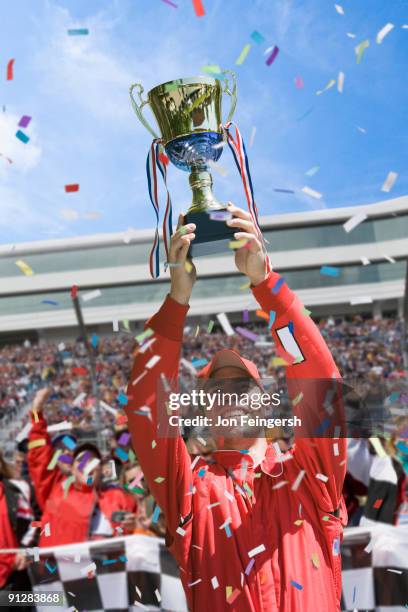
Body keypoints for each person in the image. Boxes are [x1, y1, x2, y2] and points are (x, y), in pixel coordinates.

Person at [125, 203, 347, 612]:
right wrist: (177, 299)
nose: (230, 396)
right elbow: (144, 404)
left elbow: (321, 385)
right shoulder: (188, 490)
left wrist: (266, 284)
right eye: (217, 390)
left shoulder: (311, 474)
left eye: (242, 387)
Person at [27, 389, 138, 546]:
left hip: (110, 568)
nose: (87, 465)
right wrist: (37, 413)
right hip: (64, 568)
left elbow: (144, 531)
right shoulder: (55, 489)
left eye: (93, 461)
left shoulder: (120, 496)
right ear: (72, 469)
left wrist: (134, 527)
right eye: (82, 460)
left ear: (102, 469)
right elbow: (39, 456)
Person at [0, 451, 33, 606]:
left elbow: (37, 523)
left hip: (14, 577)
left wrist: (26, 550)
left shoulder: (17, 490)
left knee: (56, 598)